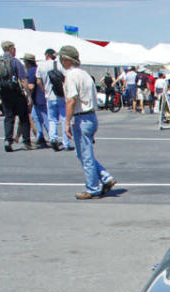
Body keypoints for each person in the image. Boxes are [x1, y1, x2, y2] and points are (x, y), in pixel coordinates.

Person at [60, 45, 116, 200]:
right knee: (84, 153)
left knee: (85, 155)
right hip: (90, 116)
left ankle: (92, 188)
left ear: (65, 59)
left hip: (81, 116)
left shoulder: (71, 76)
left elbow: (71, 100)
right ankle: (105, 177)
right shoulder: (85, 74)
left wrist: (67, 121)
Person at [0, 40, 32, 152]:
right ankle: (26, 142)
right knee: (24, 117)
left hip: (4, 92)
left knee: (9, 117)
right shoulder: (15, 62)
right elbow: (23, 79)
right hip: (16, 91)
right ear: (11, 49)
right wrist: (28, 94)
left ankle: (8, 140)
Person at [38, 48, 70, 151]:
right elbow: (66, 78)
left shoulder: (41, 65)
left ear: (46, 55)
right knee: (64, 118)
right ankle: (66, 143)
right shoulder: (59, 64)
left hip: (49, 95)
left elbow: (38, 81)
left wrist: (44, 91)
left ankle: (53, 138)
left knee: (52, 119)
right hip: (61, 95)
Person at [23, 53, 49, 148]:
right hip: (41, 97)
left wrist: (27, 95)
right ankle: (40, 136)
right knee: (35, 116)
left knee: (43, 117)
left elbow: (31, 86)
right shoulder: (37, 69)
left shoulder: (31, 71)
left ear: (27, 62)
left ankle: (51, 136)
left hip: (38, 98)